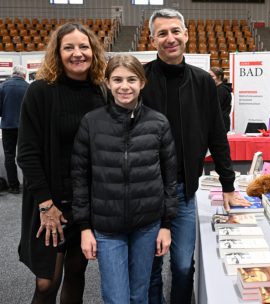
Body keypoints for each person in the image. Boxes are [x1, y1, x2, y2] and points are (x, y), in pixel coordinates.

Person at [142, 8, 250, 304]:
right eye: (162, 33)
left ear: (186, 35)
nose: (170, 38)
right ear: (153, 40)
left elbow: (217, 135)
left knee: (181, 265)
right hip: (146, 191)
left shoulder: (203, 82)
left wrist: (228, 184)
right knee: (150, 266)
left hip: (183, 191)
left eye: (175, 31)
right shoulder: (141, 79)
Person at [71, 54, 178, 303]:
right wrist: (85, 228)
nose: (124, 86)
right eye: (117, 79)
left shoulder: (158, 123)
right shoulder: (91, 122)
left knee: (139, 295)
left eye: (131, 79)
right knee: (117, 298)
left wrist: (166, 225)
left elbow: (169, 178)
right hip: (107, 228)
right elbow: (79, 177)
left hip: (148, 225)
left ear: (142, 82)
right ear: (107, 83)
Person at [16, 22, 107, 303]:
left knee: (76, 272)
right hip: (49, 202)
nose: (77, 53)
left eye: (83, 46)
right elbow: (27, 153)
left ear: (93, 51)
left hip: (85, 203)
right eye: (69, 47)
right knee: (46, 282)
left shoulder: (101, 91)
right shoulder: (40, 91)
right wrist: (46, 205)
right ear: (57, 52)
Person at [0, 65, 29, 194]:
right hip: (25, 127)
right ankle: (29, 185)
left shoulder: (3, 86)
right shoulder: (29, 87)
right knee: (27, 155)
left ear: (13, 73)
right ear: (23, 75)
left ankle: (14, 186)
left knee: (9, 156)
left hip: (8, 126)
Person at [209, 67, 232, 132]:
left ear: (219, 77)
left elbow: (215, 107)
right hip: (218, 123)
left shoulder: (221, 90)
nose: (209, 78)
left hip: (220, 124)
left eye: (212, 76)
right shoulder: (217, 89)